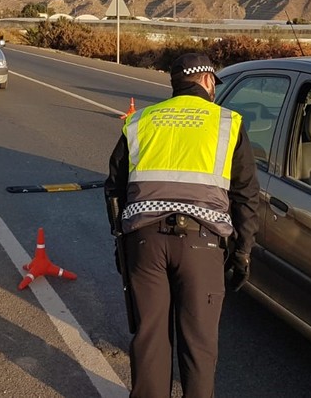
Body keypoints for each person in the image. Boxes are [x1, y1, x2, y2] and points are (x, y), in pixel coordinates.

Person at [105, 53, 261, 398]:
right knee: (199, 346)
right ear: (206, 81)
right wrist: (242, 252)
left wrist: (121, 241)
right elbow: (246, 195)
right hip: (202, 245)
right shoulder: (227, 123)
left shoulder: (141, 121)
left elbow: (114, 188)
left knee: (150, 338)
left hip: (144, 242)